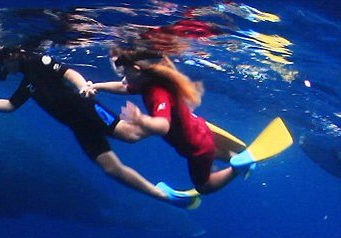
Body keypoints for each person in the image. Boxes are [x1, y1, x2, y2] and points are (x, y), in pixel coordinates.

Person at [0, 45, 200, 209]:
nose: (4, 69)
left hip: (86, 109)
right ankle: (163, 196)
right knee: (112, 169)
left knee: (130, 135)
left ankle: (175, 121)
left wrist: (84, 86)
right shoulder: (28, 82)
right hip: (77, 125)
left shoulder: (39, 61)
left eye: (3, 62)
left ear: (11, 56)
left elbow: (68, 72)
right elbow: (9, 105)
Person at [86, 47, 250, 195]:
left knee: (204, 187)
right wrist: (97, 86)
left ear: (137, 70)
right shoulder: (148, 81)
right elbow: (123, 88)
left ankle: (236, 169)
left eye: (125, 74)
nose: (123, 79)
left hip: (194, 146)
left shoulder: (157, 92)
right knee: (210, 152)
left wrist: (140, 119)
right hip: (198, 129)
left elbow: (163, 126)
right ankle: (232, 156)